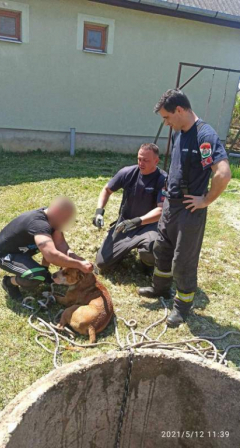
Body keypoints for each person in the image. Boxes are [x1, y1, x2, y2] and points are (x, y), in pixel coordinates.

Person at [139, 89, 231, 326]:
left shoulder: (204, 136)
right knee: (162, 249)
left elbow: (223, 173)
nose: (166, 123)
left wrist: (206, 200)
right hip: (171, 204)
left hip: (190, 211)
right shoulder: (179, 132)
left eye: (166, 117)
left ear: (179, 110)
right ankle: (159, 289)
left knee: (183, 261)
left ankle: (182, 306)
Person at [0, 197, 93, 302]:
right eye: (65, 218)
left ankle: (43, 272)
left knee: (48, 249)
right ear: (56, 212)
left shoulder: (52, 218)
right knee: (37, 276)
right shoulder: (39, 225)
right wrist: (78, 264)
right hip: (6, 255)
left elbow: (60, 244)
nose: (66, 222)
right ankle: (9, 283)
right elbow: (51, 255)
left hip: (22, 250)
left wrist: (75, 257)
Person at [93, 143, 167, 273]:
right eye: (139, 159)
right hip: (125, 224)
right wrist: (99, 212)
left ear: (156, 161)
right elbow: (107, 189)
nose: (141, 163)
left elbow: (161, 210)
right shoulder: (127, 172)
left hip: (149, 226)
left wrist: (138, 221)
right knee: (102, 263)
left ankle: (147, 264)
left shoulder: (163, 179)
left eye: (146, 160)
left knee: (152, 246)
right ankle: (123, 250)